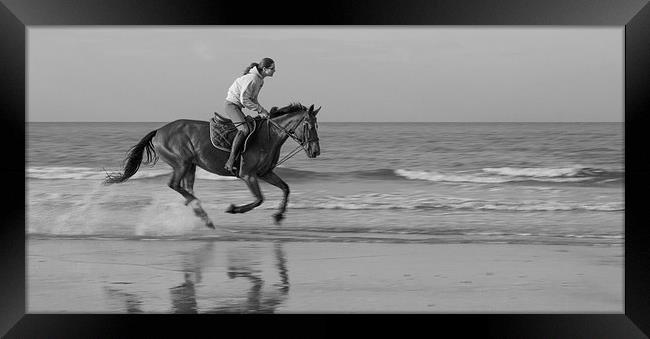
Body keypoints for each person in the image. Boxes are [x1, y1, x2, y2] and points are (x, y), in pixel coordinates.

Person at [223, 57, 276, 174]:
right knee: (245, 129)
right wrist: (260, 109)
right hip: (232, 105)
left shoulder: (260, 80)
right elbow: (244, 99)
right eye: (272, 68)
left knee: (253, 127)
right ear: (264, 69)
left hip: (237, 106)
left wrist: (262, 111)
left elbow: (253, 99)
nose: (274, 71)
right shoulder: (253, 78)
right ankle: (230, 161)